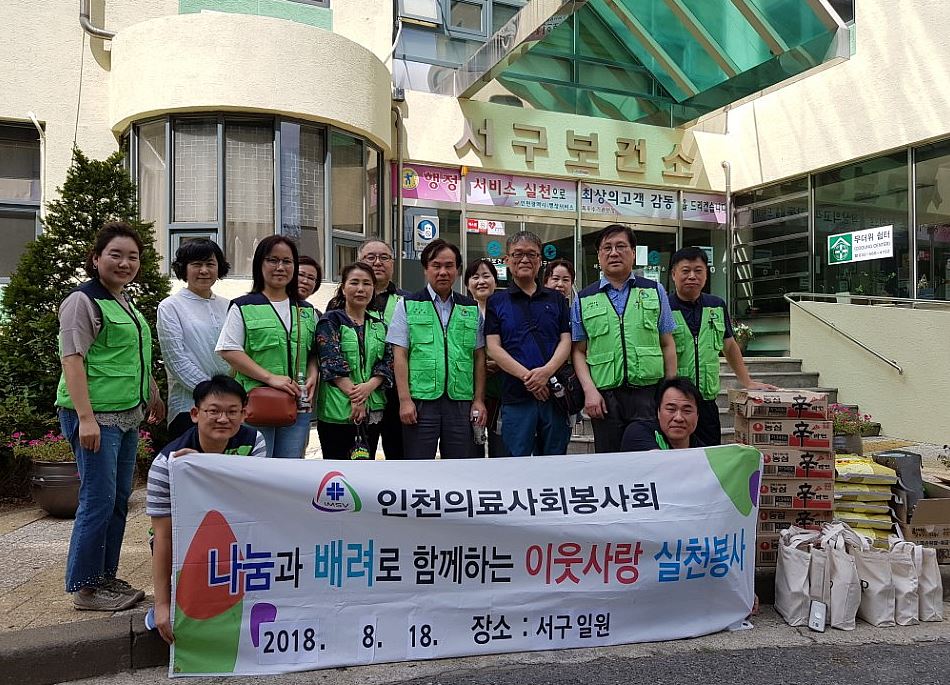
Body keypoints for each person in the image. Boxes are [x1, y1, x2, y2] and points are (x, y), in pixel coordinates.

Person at [56, 222, 165, 611]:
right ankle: (85, 588)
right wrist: (85, 418)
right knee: (97, 500)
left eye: (132, 256)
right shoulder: (82, 301)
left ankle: (105, 576)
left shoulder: (123, 301)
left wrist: (153, 394)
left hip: (127, 415)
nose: (125, 263)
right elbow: (72, 360)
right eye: (115, 255)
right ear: (96, 258)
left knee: (118, 499)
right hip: (96, 417)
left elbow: (132, 357)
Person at [147, 375, 267, 644]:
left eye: (232, 412)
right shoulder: (166, 464)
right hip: (187, 539)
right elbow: (162, 536)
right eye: (213, 411)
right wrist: (162, 605)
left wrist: (205, 467)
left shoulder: (254, 441)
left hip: (237, 531)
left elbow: (255, 500)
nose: (223, 419)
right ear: (195, 414)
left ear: (244, 414)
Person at [571, 224, 678, 453]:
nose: (614, 253)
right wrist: (589, 390)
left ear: (633, 252)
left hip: (648, 394)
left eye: (621, 246)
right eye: (607, 248)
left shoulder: (655, 290)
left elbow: (667, 343)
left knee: (649, 459)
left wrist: (669, 390)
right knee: (610, 461)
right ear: (599, 256)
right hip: (605, 397)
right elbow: (579, 351)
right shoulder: (584, 298)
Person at [216, 235, 318, 458]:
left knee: (289, 468)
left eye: (287, 261)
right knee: (256, 469)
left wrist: (313, 374)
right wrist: (270, 378)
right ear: (259, 264)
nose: (280, 267)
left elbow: (313, 352)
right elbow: (229, 350)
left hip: (297, 404)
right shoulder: (243, 306)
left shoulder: (306, 310)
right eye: (273, 260)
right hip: (256, 403)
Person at [387, 239, 487, 459]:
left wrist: (479, 400)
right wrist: (405, 400)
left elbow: (479, 356)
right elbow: (400, 355)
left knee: (459, 466)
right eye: (436, 265)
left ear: (457, 270)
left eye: (449, 266)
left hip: (460, 401)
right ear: (426, 269)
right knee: (419, 465)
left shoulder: (470, 308)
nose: (443, 272)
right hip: (421, 401)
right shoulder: (408, 304)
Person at [668, 247, 777, 446]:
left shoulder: (716, 305)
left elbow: (729, 345)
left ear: (706, 274)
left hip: (707, 402)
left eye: (698, 270)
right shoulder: (664, 307)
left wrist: (747, 381)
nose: (692, 276)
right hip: (675, 403)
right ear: (674, 274)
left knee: (710, 454)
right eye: (685, 271)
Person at [486, 233, 572, 456]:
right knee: (516, 463)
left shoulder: (556, 299)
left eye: (531, 254)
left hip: (554, 396)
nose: (525, 259)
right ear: (507, 260)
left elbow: (566, 340)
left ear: (540, 260)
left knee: (554, 461)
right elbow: (493, 347)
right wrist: (531, 379)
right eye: (518, 254)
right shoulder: (496, 301)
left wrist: (546, 373)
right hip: (516, 396)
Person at [314, 262, 393, 459]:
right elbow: (331, 361)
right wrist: (357, 397)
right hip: (337, 410)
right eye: (354, 282)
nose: (361, 289)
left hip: (372, 408)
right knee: (337, 470)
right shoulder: (330, 320)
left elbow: (388, 361)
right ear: (343, 288)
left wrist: (369, 387)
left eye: (367, 284)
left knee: (364, 466)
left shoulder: (379, 325)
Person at [157, 239, 232, 441]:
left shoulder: (229, 306)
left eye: (210, 264)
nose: (204, 270)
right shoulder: (170, 307)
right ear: (184, 268)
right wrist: (215, 394)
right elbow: (176, 360)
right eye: (196, 264)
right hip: (188, 408)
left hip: (229, 409)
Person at [357, 239, 408, 460]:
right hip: (359, 392)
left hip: (398, 393)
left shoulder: (408, 301)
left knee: (399, 457)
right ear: (359, 261)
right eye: (371, 257)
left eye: (384, 257)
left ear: (393, 263)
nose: (377, 262)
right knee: (359, 458)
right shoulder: (342, 303)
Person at [465, 258, 507, 457]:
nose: (481, 281)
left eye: (486, 276)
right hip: (470, 394)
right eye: (475, 277)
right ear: (467, 284)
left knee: (502, 451)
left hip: (502, 393)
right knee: (472, 451)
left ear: (495, 281)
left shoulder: (506, 310)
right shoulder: (463, 312)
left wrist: (499, 363)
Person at [620, 377, 704, 451]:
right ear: (658, 412)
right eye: (671, 409)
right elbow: (659, 461)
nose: (678, 418)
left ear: (697, 415)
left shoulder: (703, 452)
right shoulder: (638, 432)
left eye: (687, 410)